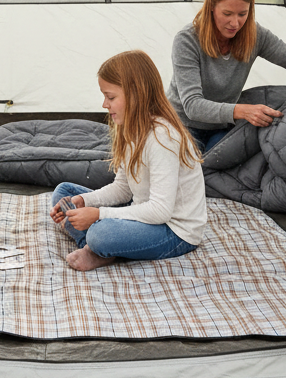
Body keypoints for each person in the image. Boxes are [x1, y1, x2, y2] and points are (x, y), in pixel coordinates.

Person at [49, 49, 207, 272]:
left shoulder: (163, 137)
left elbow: (161, 211)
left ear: (135, 94)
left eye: (111, 97)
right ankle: (100, 249)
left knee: (100, 234)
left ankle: (97, 246)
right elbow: (123, 189)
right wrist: (84, 201)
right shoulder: (130, 129)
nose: (104, 104)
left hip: (174, 230)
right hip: (144, 211)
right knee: (64, 193)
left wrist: (99, 214)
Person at [167, 0, 286, 155]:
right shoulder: (187, 40)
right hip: (179, 126)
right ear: (211, 6)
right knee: (194, 174)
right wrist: (243, 111)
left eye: (242, 14)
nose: (235, 23)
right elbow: (192, 106)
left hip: (221, 127)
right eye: (227, 13)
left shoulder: (255, 35)